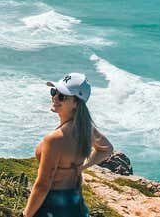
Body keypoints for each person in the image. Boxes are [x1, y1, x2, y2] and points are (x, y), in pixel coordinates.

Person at [22, 73, 114, 217]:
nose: (54, 97)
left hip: (52, 207)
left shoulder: (55, 139)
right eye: (54, 91)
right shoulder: (86, 129)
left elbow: (42, 185)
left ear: (76, 103)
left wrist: (25, 215)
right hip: (76, 205)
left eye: (62, 96)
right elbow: (107, 149)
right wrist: (80, 167)